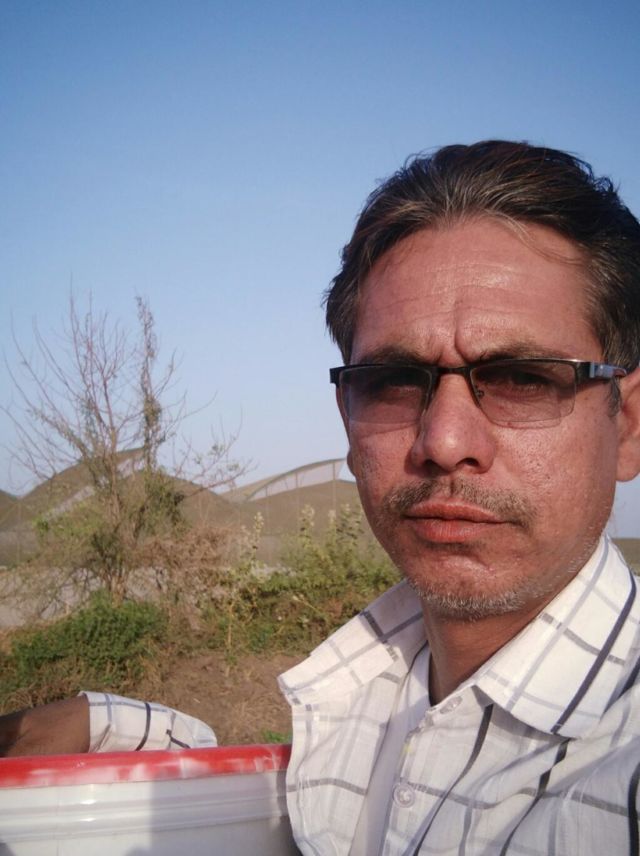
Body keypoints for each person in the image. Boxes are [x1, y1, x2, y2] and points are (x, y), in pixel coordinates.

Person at [2, 140, 640, 855]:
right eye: (393, 381)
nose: (443, 439)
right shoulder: (367, 693)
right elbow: (277, 814)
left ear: (628, 425)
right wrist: (104, 723)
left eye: (523, 378)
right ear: (348, 418)